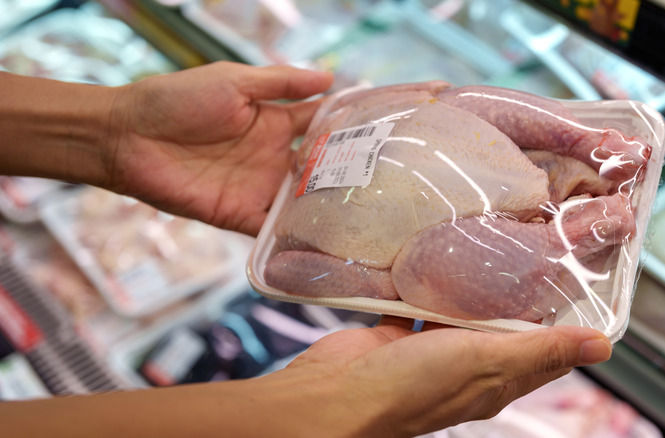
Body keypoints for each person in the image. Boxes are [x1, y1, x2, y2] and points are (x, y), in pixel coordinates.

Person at [0, 61, 612, 437]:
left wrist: (118, 130)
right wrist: (332, 409)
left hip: (360, 178)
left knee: (442, 126)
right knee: (415, 266)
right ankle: (587, 171)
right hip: (354, 206)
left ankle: (585, 153)